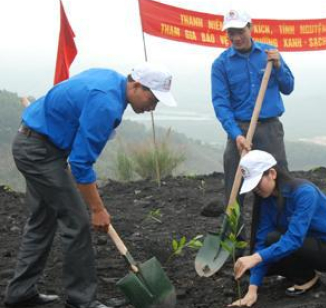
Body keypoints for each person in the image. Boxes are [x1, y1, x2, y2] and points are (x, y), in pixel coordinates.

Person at [3, 63, 175, 308]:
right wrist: (97, 209)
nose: (153, 107)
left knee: (42, 221)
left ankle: (20, 293)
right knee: (78, 222)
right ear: (136, 85)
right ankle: (81, 301)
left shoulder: (110, 79)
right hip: (39, 152)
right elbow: (81, 164)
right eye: (153, 98)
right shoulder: (106, 102)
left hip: (37, 144)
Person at [229, 150, 326, 307]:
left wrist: (256, 258)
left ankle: (306, 277)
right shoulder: (267, 200)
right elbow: (261, 241)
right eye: (252, 186)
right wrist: (252, 290)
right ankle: (303, 273)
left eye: (257, 183)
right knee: (264, 254)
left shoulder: (304, 193)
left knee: (271, 244)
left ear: (272, 173)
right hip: (302, 246)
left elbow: (294, 239)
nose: (255, 189)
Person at [211, 9, 294, 209]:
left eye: (240, 30)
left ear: (250, 27)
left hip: (269, 129)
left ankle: (281, 231)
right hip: (239, 131)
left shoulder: (270, 54)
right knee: (234, 185)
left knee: (278, 180)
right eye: (231, 32)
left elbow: (288, 87)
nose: (236, 37)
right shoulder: (220, 65)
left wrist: (278, 67)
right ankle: (233, 236)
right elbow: (221, 104)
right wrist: (236, 135)